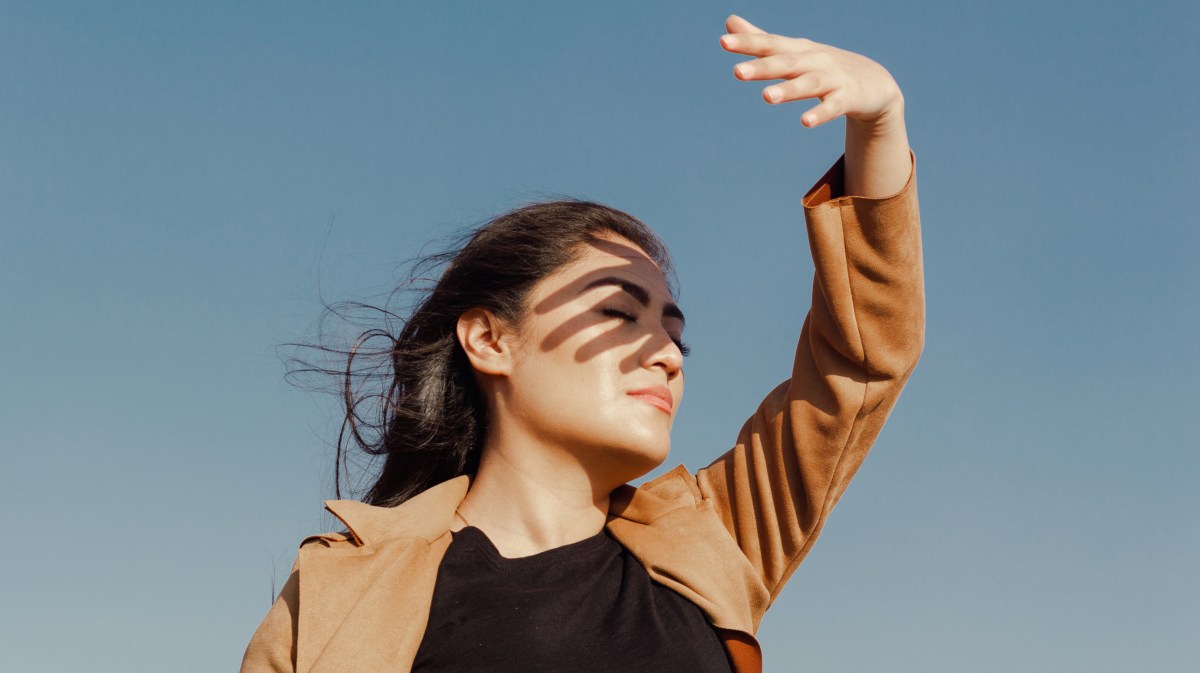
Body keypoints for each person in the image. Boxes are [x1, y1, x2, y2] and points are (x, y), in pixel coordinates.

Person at [241, 14, 923, 673]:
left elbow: (860, 360)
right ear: (488, 338)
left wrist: (880, 125)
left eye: (675, 338)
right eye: (620, 314)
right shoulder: (343, 586)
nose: (663, 354)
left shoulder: (716, 537)